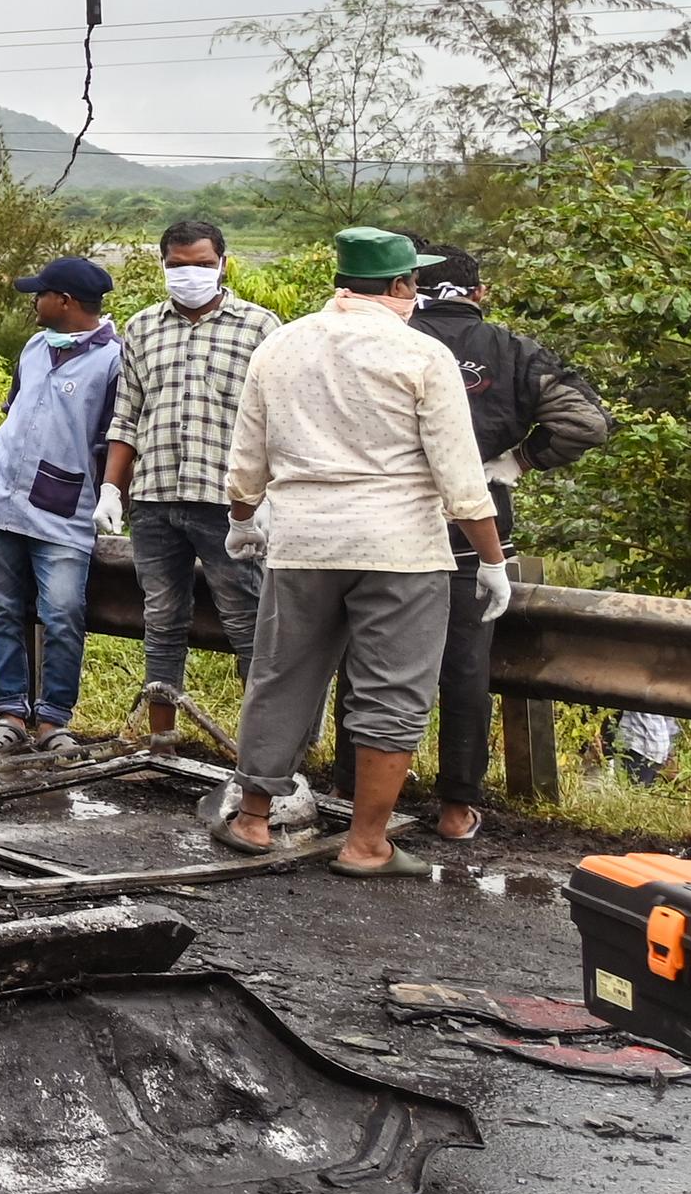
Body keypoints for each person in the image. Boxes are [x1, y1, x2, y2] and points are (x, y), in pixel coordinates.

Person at [218, 227, 508, 875]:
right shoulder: (422, 354)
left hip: (302, 543)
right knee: (391, 692)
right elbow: (460, 476)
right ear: (403, 286)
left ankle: (254, 818)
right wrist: (491, 558)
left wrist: (242, 519)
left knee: (281, 676)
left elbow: (247, 460)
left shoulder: (281, 345)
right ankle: (366, 843)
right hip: (400, 549)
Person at [348, 245, 613, 842]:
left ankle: (354, 794)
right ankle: (455, 807)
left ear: (409, 286)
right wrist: (517, 460)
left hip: (383, 528)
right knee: (465, 668)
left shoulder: (384, 337)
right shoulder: (512, 350)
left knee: (368, 662)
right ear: (479, 293)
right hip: (476, 537)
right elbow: (587, 423)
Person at [99, 218, 279, 735]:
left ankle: (264, 754)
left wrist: (266, 499)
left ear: (223, 262)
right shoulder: (141, 328)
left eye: (202, 265)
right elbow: (126, 417)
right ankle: (162, 737)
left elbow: (276, 419)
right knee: (161, 621)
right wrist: (114, 488)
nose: (190, 275)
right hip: (155, 498)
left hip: (229, 504)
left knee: (248, 622)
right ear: (163, 265)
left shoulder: (260, 328)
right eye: (178, 266)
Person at [0, 254, 126, 755]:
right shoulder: (33, 347)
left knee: (63, 612)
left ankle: (53, 722)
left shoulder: (114, 361)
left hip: (63, 509)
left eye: (40, 294)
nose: (34, 302)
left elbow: (116, 437)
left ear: (65, 301)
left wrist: (113, 493)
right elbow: (15, 418)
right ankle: (10, 718)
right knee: (2, 609)